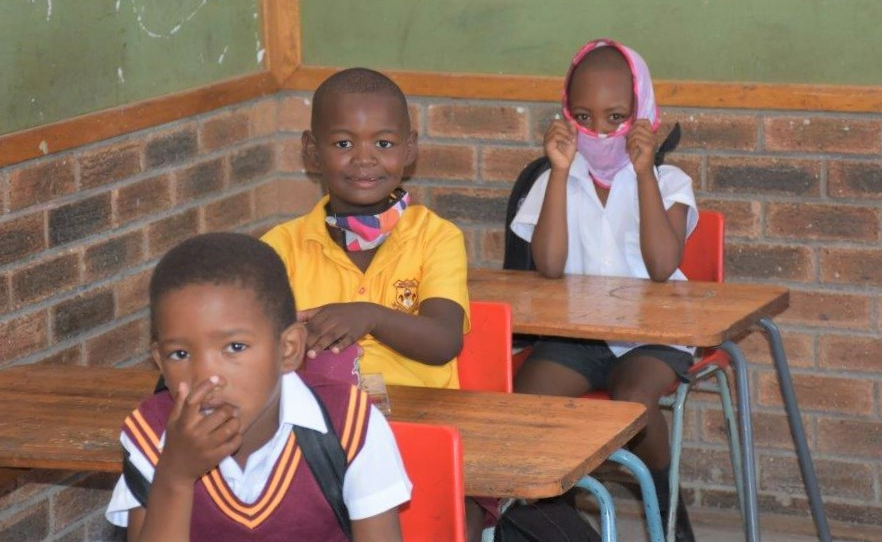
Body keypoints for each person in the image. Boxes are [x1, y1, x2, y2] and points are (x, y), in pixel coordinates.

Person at [261, 68, 490, 541]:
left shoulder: (435, 238)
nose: (364, 160)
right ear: (311, 150)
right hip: (322, 442)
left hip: (422, 434)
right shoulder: (280, 248)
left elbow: (444, 341)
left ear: (409, 149)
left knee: (455, 521)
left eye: (383, 144)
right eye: (343, 143)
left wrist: (367, 316)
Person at [510, 38, 698, 541]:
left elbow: (662, 266)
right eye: (584, 116)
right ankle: (560, 520)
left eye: (616, 116)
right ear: (565, 116)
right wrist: (559, 171)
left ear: (644, 114)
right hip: (579, 335)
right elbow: (548, 265)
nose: (599, 131)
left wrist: (642, 175)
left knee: (632, 400)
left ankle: (667, 510)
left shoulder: (669, 179)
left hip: (653, 335)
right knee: (526, 407)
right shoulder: (557, 179)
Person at [105, 232, 411, 541]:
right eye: (180, 354)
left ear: (288, 349)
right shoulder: (152, 432)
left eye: (235, 347)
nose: (207, 377)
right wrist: (175, 476)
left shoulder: (349, 425)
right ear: (159, 361)